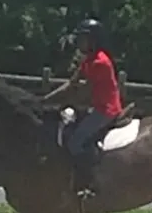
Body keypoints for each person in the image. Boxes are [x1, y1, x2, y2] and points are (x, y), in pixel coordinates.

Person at [43, 17, 124, 198]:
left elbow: (83, 91)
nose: (79, 42)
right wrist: (44, 100)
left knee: (75, 142)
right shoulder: (88, 60)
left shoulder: (100, 62)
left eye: (83, 38)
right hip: (96, 107)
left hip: (106, 110)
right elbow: (71, 84)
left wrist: (63, 102)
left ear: (94, 40)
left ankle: (89, 183)